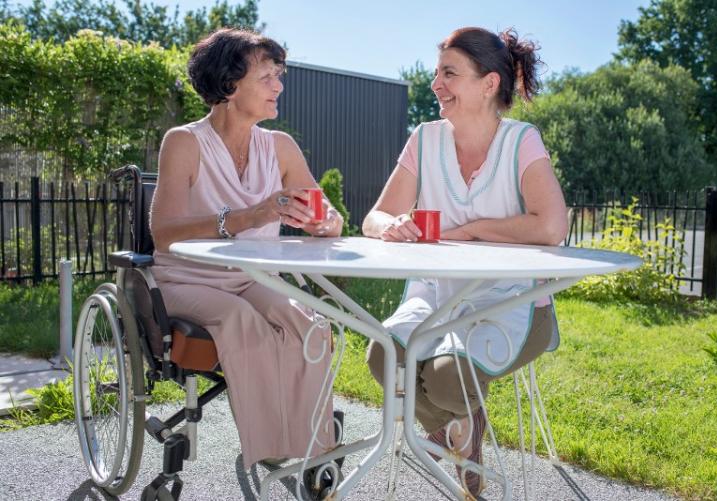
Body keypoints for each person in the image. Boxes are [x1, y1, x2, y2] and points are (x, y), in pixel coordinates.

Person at [362, 26, 568, 497]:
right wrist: (390, 226)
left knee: (448, 377)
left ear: (488, 83)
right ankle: (459, 430)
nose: (436, 83)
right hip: (434, 295)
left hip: (513, 304)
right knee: (383, 356)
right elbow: (375, 216)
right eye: (437, 73)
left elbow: (551, 226)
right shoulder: (424, 138)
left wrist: (473, 228)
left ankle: (450, 429)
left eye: (449, 74)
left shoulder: (522, 141)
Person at [149, 28, 343, 469]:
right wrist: (249, 216)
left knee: (307, 322)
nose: (279, 86)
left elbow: (329, 218)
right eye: (267, 76)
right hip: (187, 278)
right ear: (230, 83)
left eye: (279, 75)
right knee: (241, 320)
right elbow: (163, 233)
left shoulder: (281, 147)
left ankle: (316, 441)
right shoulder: (184, 142)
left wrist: (324, 222)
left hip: (252, 277)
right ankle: (270, 453)